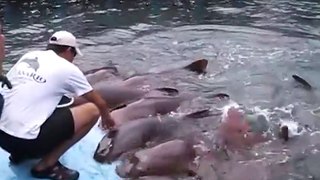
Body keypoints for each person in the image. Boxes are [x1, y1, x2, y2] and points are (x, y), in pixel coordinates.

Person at [0, 30, 115, 180]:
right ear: (69, 50)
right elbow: (98, 101)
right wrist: (107, 117)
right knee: (92, 110)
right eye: (74, 55)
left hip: (2, 139)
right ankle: (47, 165)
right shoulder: (68, 69)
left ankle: (19, 155)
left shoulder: (29, 55)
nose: (73, 60)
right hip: (27, 141)